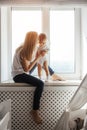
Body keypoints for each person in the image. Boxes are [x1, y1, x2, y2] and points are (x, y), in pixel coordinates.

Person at [11, 31, 45, 124]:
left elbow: (28, 67)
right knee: (40, 83)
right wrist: (37, 58)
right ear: (32, 40)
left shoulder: (26, 48)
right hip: (18, 75)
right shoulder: (23, 51)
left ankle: (53, 75)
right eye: (37, 39)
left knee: (40, 61)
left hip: (22, 72)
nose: (38, 40)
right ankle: (35, 110)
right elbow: (27, 70)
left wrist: (40, 55)